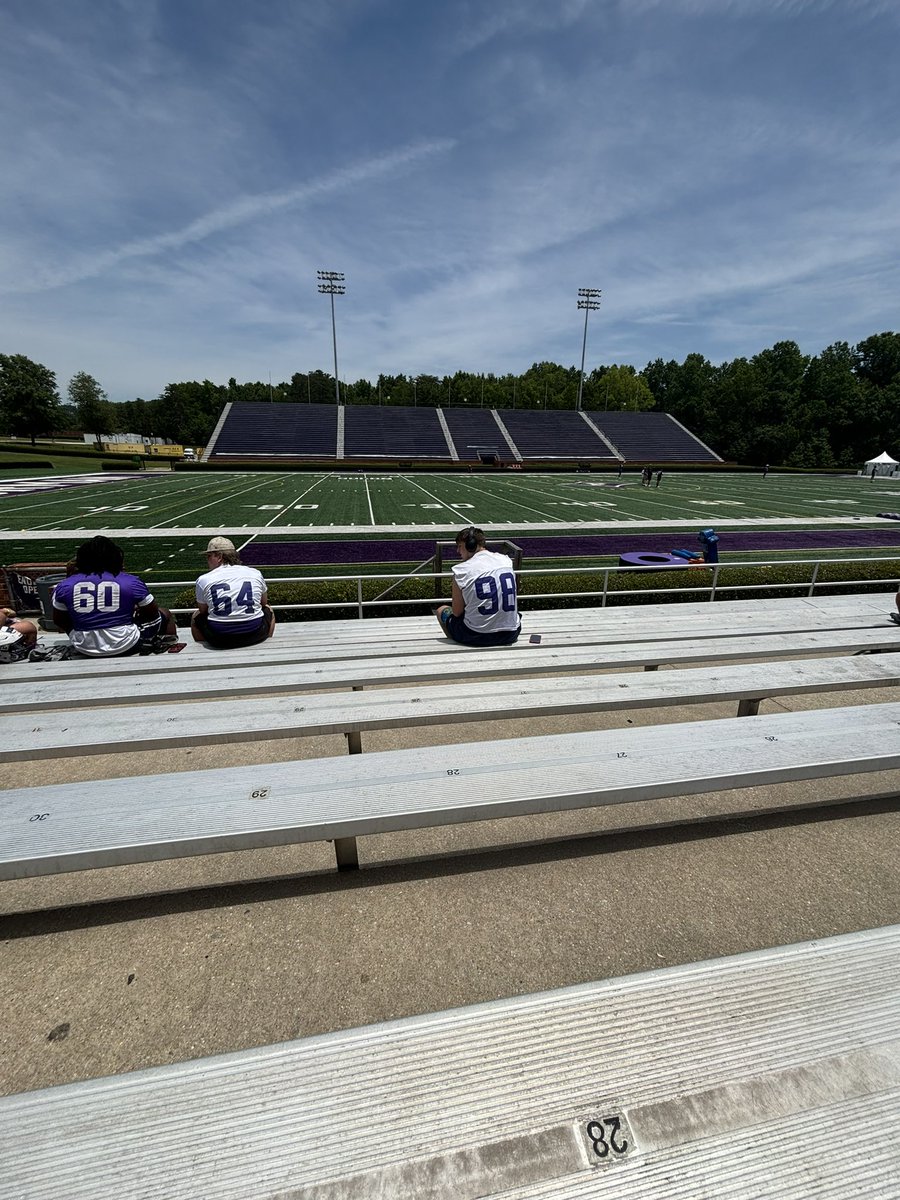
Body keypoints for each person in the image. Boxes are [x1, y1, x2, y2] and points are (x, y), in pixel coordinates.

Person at [52, 536, 177, 657]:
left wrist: (78, 631)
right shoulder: (130, 581)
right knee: (165, 613)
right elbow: (152, 612)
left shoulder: (64, 585)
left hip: (84, 646)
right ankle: (169, 648)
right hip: (125, 644)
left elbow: (59, 619)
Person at [435, 526, 521, 647]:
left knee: (441, 610)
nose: (458, 551)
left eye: (460, 546)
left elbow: (457, 612)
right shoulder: (506, 561)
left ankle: (455, 642)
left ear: (470, 546)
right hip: (511, 633)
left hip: (476, 635)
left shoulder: (460, 571)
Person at [192, 536, 275, 648]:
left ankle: (201, 650)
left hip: (219, 637)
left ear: (219, 557)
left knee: (196, 616)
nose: (207, 560)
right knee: (269, 609)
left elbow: (202, 610)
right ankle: (267, 645)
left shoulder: (203, 579)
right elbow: (263, 603)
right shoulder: (255, 573)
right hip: (254, 633)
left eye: (209, 556)